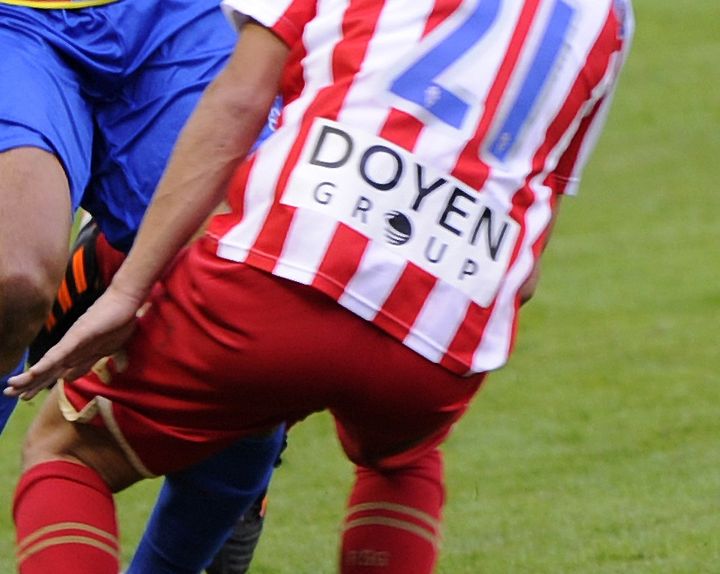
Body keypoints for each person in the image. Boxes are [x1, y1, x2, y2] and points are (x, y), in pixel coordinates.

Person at [7, 0, 635, 572]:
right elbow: (531, 240)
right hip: (447, 316)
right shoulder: (612, 17)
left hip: (279, 273)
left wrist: (126, 292)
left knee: (75, 454)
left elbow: (239, 102)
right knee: (405, 456)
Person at [0, 0, 284, 572]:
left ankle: (224, 502)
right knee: (14, 279)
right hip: (17, 20)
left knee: (252, 301)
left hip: (171, 19)